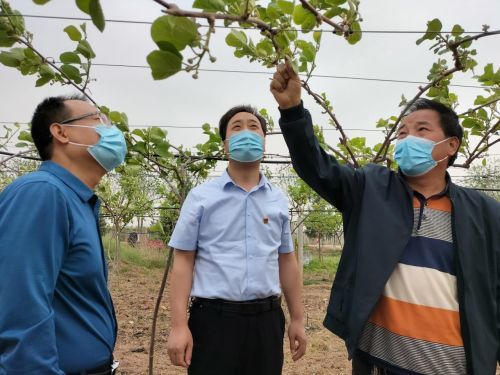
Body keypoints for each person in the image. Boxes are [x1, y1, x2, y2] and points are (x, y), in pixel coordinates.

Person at [270, 62, 500, 375]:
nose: (408, 139)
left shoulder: (484, 213)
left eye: (422, 130)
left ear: (451, 145)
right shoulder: (371, 188)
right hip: (379, 364)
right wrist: (293, 111)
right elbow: (318, 167)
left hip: (451, 367)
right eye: (402, 133)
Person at [166, 105, 307, 375]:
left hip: (266, 321)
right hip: (213, 321)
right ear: (225, 145)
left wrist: (298, 319)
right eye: (237, 127)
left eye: (254, 127)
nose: (246, 132)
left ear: (264, 142)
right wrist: (178, 325)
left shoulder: (277, 199)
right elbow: (183, 262)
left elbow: (286, 260)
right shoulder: (201, 198)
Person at [0, 95, 126, 374]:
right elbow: (21, 306)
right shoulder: (42, 192)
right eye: (97, 119)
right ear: (60, 132)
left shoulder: (76, 200)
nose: (110, 129)